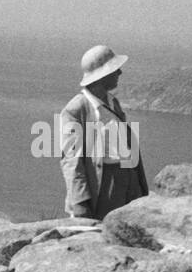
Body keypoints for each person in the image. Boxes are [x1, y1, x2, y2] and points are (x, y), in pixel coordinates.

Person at [59, 44, 149, 219]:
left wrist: (138, 186)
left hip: (127, 182)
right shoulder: (75, 110)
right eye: (115, 69)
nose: (119, 73)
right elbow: (71, 161)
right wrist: (80, 202)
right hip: (103, 187)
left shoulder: (112, 103)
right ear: (102, 75)